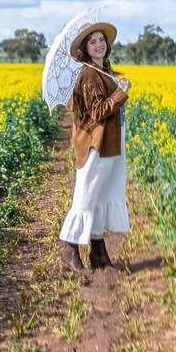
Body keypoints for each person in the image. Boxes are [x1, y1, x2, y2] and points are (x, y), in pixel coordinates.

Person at [58, 21, 132, 273]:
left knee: (101, 198)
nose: (99, 45)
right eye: (93, 42)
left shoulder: (105, 71)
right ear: (85, 48)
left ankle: (98, 254)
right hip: (95, 146)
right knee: (86, 197)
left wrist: (118, 83)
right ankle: (69, 248)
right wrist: (120, 94)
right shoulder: (88, 74)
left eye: (102, 40)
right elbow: (98, 112)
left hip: (111, 144)